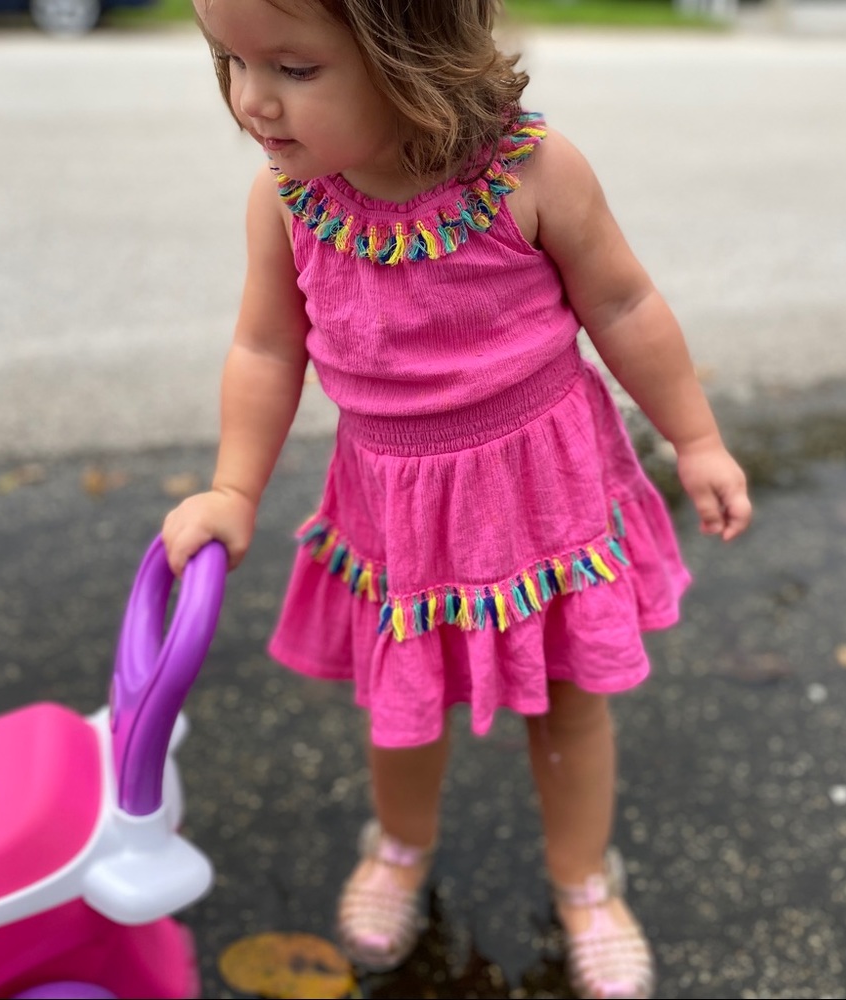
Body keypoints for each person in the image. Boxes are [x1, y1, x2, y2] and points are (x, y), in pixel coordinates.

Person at [162, 1, 752, 996]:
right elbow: (267, 347)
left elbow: (622, 303)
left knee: (569, 701)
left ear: (413, 56)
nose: (250, 100)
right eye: (231, 59)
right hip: (397, 505)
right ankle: (399, 846)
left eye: (294, 68)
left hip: (545, 488)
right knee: (405, 702)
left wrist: (694, 437)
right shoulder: (288, 200)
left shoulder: (533, 172)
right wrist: (232, 486)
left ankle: (583, 883)